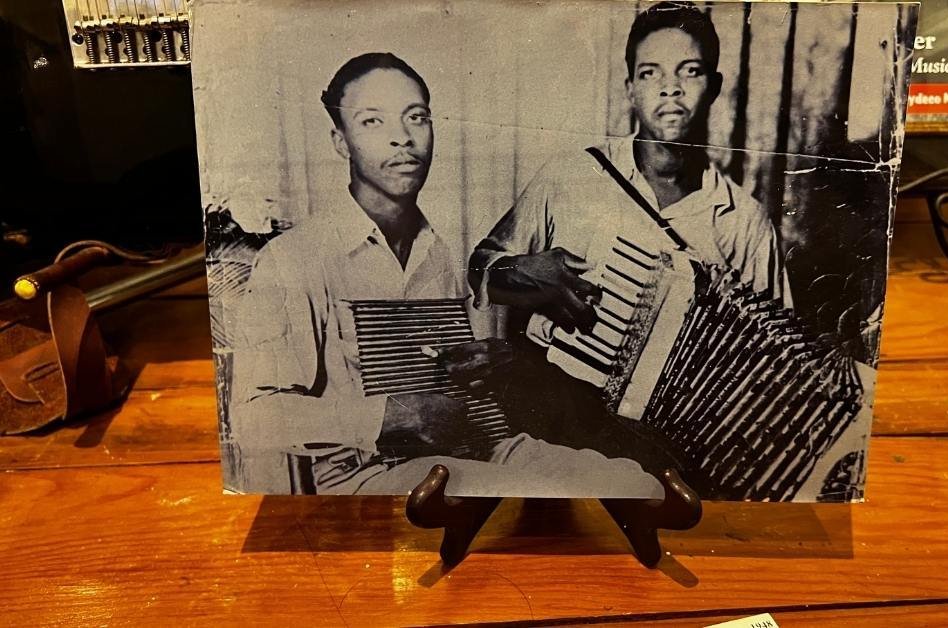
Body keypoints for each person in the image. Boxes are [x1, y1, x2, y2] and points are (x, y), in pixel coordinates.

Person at [228, 52, 662, 497]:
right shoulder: (295, 258)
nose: (402, 138)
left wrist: (490, 360)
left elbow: (455, 379)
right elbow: (253, 418)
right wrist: (394, 414)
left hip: (480, 450)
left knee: (636, 486)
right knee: (523, 501)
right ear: (340, 142)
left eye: (416, 118)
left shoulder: (440, 251)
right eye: (373, 122)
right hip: (372, 476)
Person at [470, 1, 790, 345]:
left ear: (714, 86)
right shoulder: (570, 174)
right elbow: (479, 267)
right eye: (650, 73)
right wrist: (523, 271)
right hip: (556, 391)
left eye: (690, 70)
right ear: (631, 90)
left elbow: (773, 349)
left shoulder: (745, 222)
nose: (671, 88)